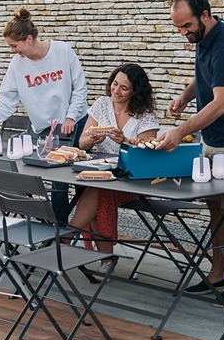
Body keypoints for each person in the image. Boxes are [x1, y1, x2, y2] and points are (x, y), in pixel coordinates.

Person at [156, 0, 224, 306]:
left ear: (204, 15)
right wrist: (185, 97)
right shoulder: (205, 39)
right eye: (178, 27)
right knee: (217, 207)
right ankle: (218, 275)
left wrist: (180, 131)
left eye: (186, 26)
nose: (183, 33)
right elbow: (206, 77)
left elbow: (222, 103)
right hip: (214, 140)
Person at [0, 6, 88, 220]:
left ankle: (79, 234)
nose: (12, 50)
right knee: (53, 183)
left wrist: (71, 116)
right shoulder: (17, 66)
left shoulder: (62, 51)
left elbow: (80, 89)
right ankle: (58, 234)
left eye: (14, 45)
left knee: (76, 182)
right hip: (45, 130)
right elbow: (5, 106)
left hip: (76, 124)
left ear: (29, 39)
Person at [68, 63, 159, 276]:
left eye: (123, 88)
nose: (116, 91)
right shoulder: (101, 104)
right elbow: (81, 145)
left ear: (135, 91)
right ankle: (103, 258)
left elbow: (148, 155)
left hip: (134, 179)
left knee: (99, 191)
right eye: (114, 84)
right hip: (101, 174)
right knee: (96, 188)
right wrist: (91, 139)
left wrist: (125, 141)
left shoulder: (145, 116)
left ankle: (66, 236)